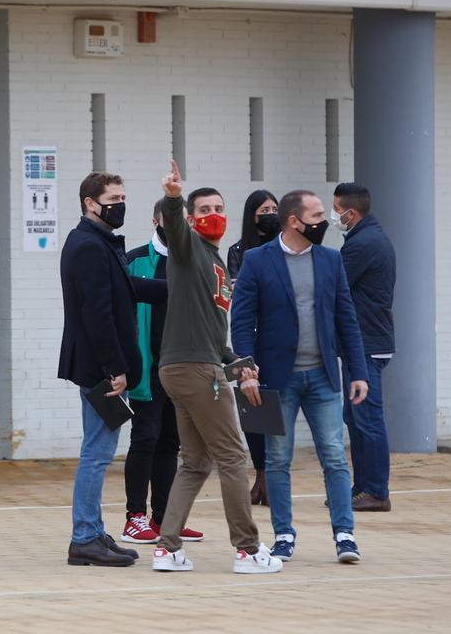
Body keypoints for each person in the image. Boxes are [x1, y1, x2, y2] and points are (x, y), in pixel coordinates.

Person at [151, 160, 281, 575]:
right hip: (194, 372)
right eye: (204, 210)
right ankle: (247, 549)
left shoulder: (217, 262)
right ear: (191, 219)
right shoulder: (188, 249)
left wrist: (238, 364)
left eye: (219, 208)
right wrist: (172, 198)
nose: (214, 216)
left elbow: (213, 335)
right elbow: (173, 228)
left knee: (195, 462)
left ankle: (168, 548)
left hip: (190, 367)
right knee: (232, 457)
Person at [230, 189, 369, 564]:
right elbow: (241, 322)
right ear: (295, 221)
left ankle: (345, 534)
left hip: (323, 376)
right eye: (318, 215)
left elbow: (346, 319)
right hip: (277, 379)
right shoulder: (257, 261)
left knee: (335, 458)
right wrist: (246, 371)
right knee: (276, 460)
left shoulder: (330, 259)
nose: (325, 221)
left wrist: (357, 370)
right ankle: (284, 535)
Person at [59, 172, 166, 567]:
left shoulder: (99, 242)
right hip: (100, 370)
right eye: (113, 197)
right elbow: (97, 313)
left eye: (123, 196)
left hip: (101, 366)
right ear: (90, 202)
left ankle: (93, 532)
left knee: (98, 451)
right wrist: (115, 368)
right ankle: (85, 537)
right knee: (97, 453)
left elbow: (129, 289)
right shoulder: (88, 245)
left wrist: (183, 290)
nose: (120, 203)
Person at [121, 201, 205, 544]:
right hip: (146, 366)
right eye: (170, 219)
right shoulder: (135, 259)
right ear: (156, 220)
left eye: (183, 221)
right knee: (145, 438)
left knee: (171, 443)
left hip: (181, 367)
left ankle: (165, 517)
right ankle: (134, 517)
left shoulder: (195, 259)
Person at [332, 182, 397, 512]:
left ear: (350, 212)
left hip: (366, 344)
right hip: (366, 342)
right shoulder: (368, 237)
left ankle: (375, 490)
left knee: (367, 418)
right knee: (356, 417)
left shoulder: (363, 244)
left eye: (336, 209)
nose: (334, 216)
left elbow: (334, 285)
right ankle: (362, 489)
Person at [226, 189, 279, 507]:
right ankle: (259, 475)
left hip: (274, 339)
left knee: (273, 409)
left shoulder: (284, 248)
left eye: (275, 208)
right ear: (252, 214)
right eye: (264, 209)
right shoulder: (239, 250)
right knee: (252, 409)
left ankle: (271, 477)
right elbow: (236, 290)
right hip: (246, 337)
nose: (270, 213)